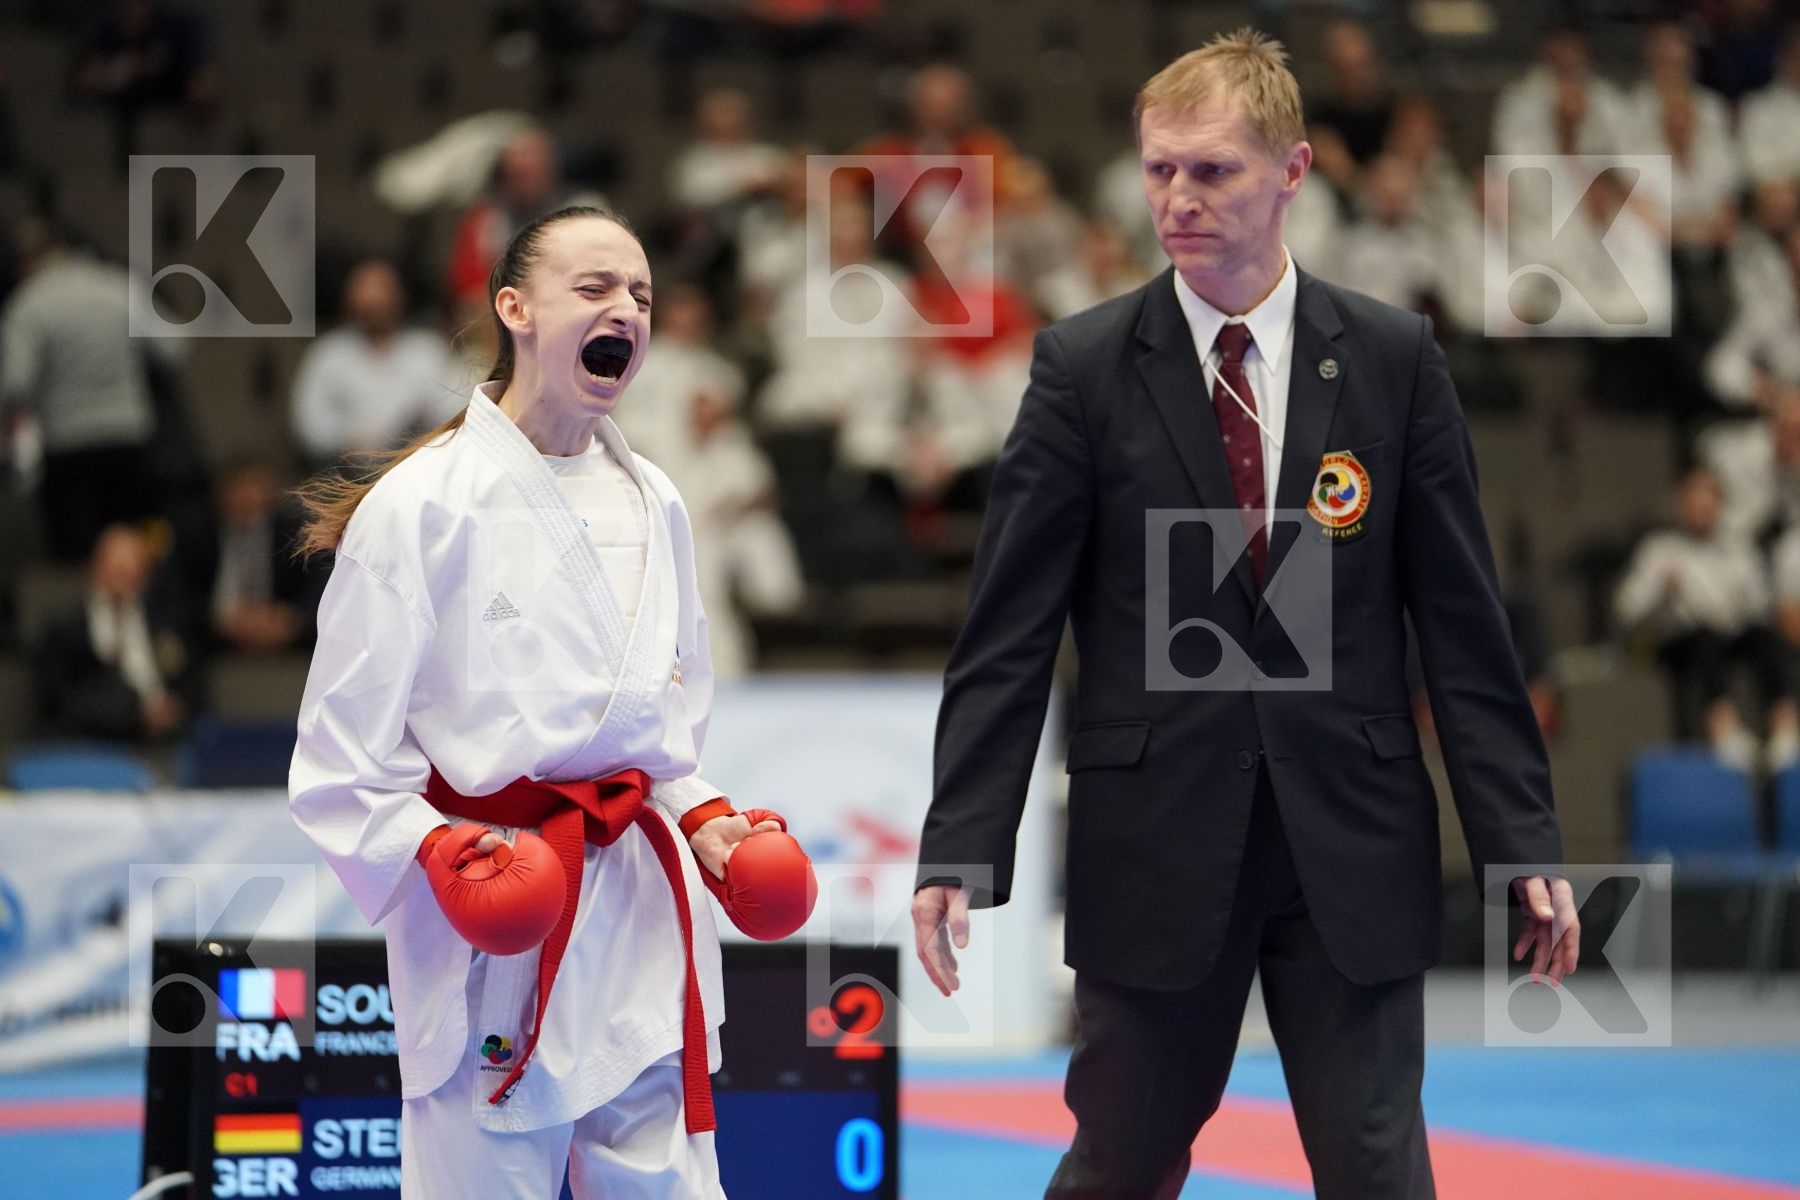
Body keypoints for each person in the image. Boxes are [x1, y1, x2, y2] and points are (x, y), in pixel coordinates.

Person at [910, 31, 1577, 1199]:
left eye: (1211, 170)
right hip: (1156, 836)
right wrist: (963, 838)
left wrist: (1522, 841)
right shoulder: (1082, 368)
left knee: (1378, 1172)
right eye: (1160, 169)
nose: (1178, 197)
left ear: (1293, 172)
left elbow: (1465, 630)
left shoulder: (1390, 360)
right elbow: (1008, 635)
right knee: (1118, 1168)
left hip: (1350, 841)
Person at [288, 204, 803, 1197]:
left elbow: (664, 739)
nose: (628, 309)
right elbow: (339, 759)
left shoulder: (655, 496)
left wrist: (706, 820)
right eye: (597, 288)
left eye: (642, 294)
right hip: (497, 906)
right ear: (514, 308)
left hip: (637, 912)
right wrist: (441, 848)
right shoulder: (422, 504)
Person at [289, 259, 460, 473]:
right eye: (364, 292)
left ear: (400, 297)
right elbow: (310, 425)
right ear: (348, 299)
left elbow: (455, 411)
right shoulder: (329, 354)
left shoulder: (427, 351)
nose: (373, 301)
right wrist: (350, 441)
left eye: (382, 290)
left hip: (419, 468)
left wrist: (419, 429)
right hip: (345, 477)